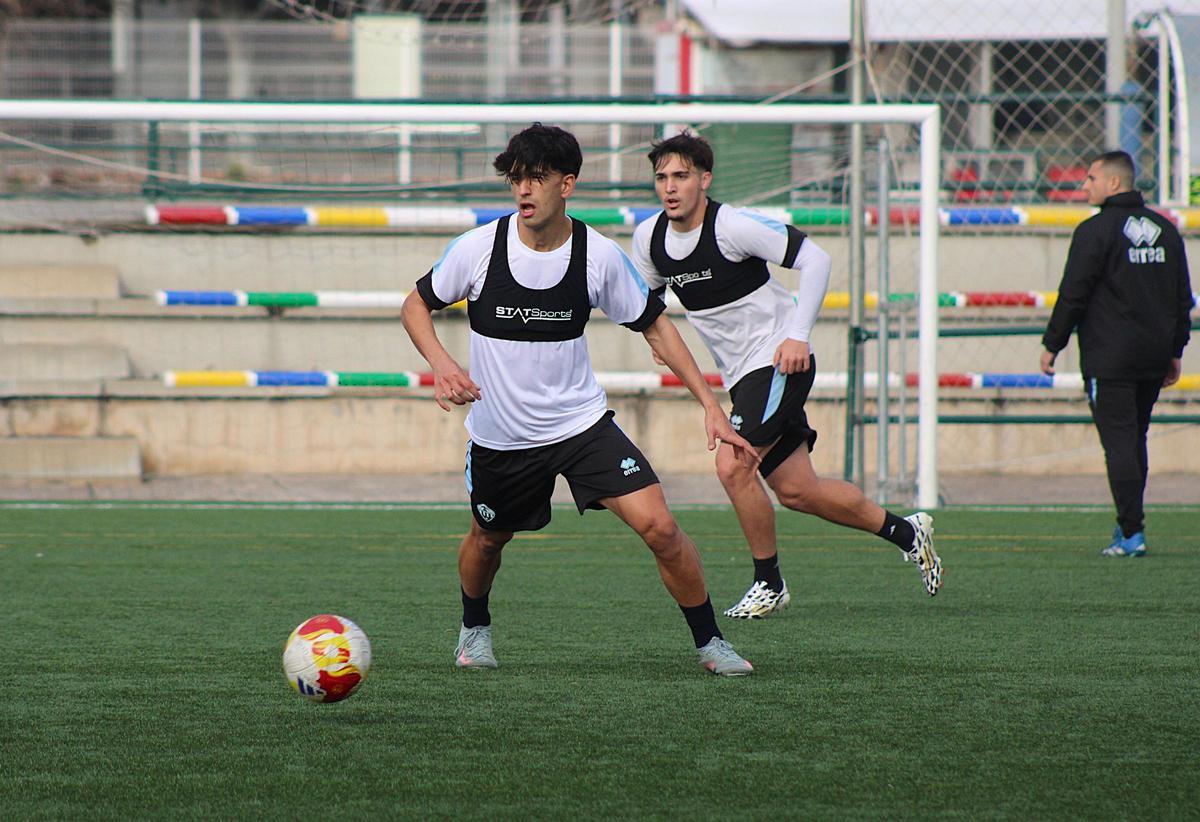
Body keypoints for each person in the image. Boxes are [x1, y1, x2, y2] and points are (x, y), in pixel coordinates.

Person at [401, 123, 762, 675]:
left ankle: (711, 643)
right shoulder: (479, 248)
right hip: (502, 437)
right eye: (516, 179)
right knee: (488, 537)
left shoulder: (597, 255)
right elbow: (414, 306)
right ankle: (474, 629)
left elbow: (656, 326)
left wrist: (710, 403)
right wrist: (443, 365)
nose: (524, 190)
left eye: (537, 179)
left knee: (662, 528)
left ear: (566, 184)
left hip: (580, 426)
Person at [629, 131, 943, 619]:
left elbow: (816, 258)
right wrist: (658, 342)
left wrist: (798, 334)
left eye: (681, 176)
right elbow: (649, 304)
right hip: (743, 375)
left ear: (705, 180)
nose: (670, 187)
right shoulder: (649, 239)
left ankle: (768, 583)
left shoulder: (732, 226)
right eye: (662, 177)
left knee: (733, 465)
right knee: (798, 491)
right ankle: (908, 531)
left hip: (778, 362)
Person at [1040, 150, 1193, 557]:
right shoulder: (1165, 230)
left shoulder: (1095, 231)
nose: (1084, 185)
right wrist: (1176, 349)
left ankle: (1131, 532)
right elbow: (1182, 297)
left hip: (1111, 358)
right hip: (1154, 356)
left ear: (1113, 183)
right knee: (1134, 438)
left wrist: (1052, 343)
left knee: (1120, 442)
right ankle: (1129, 524)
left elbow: (1074, 293)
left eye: (1090, 178)